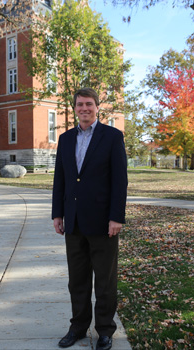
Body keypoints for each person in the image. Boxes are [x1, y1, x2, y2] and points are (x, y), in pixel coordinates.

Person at [52, 88, 128, 350]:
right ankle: (78, 327)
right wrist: (57, 213)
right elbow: (60, 179)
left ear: (97, 107)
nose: (84, 108)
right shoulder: (65, 139)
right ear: (74, 108)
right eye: (79, 105)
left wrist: (117, 217)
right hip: (73, 222)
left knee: (105, 281)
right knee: (77, 280)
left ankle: (105, 330)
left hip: (103, 223)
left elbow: (120, 181)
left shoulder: (112, 137)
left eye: (89, 104)